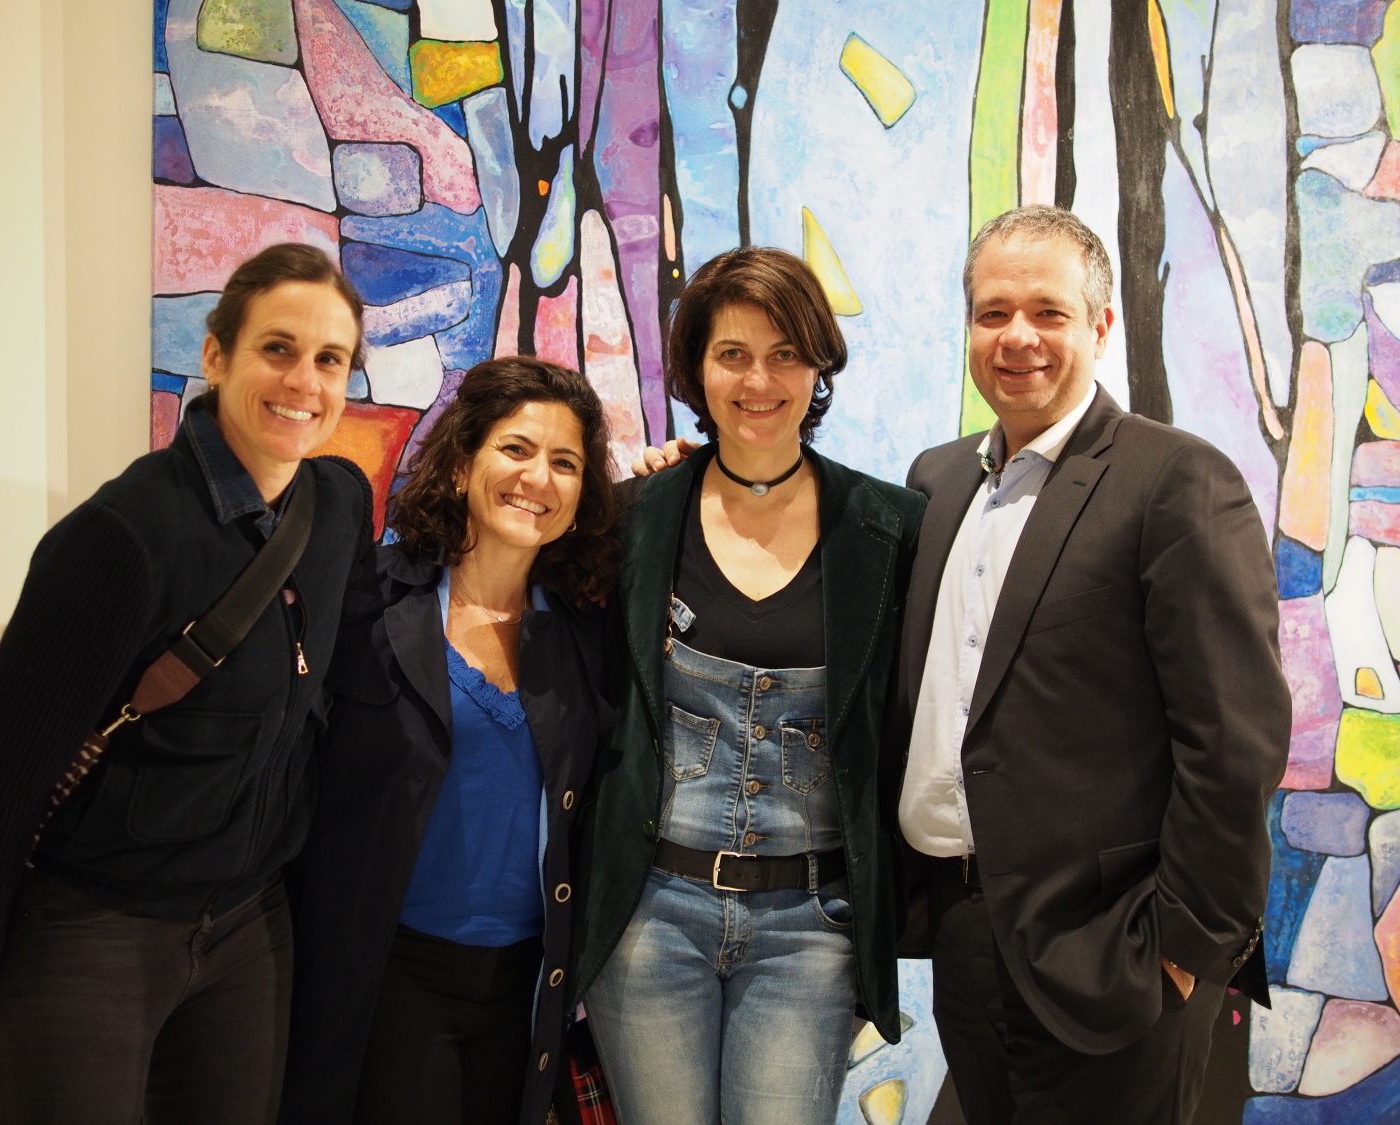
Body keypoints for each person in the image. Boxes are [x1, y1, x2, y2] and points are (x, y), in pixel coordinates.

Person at [0, 243, 375, 1123]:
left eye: (329, 359)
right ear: (216, 355)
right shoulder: (123, 538)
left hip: (248, 927)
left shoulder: (339, 504)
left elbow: (352, 671)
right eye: (277, 348)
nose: (303, 381)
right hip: (91, 933)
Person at [896, 205, 1289, 1123]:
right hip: (963, 933)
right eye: (993, 313)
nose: (1017, 337)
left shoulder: (1176, 480)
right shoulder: (936, 482)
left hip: (1116, 952)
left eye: (1049, 311)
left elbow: (1234, 743)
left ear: (1101, 325)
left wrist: (1181, 949)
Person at [570, 246, 926, 1124]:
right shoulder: (635, 516)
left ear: (818, 365)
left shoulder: (889, 529)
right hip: (650, 917)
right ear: (697, 368)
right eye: (732, 354)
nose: (758, 380)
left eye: (785, 354)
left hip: (810, 929)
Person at [279, 357, 618, 1125]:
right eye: (516, 449)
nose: (538, 478)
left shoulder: (585, 632)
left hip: (527, 989)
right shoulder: (370, 602)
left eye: (565, 462)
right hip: (393, 974)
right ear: (463, 463)